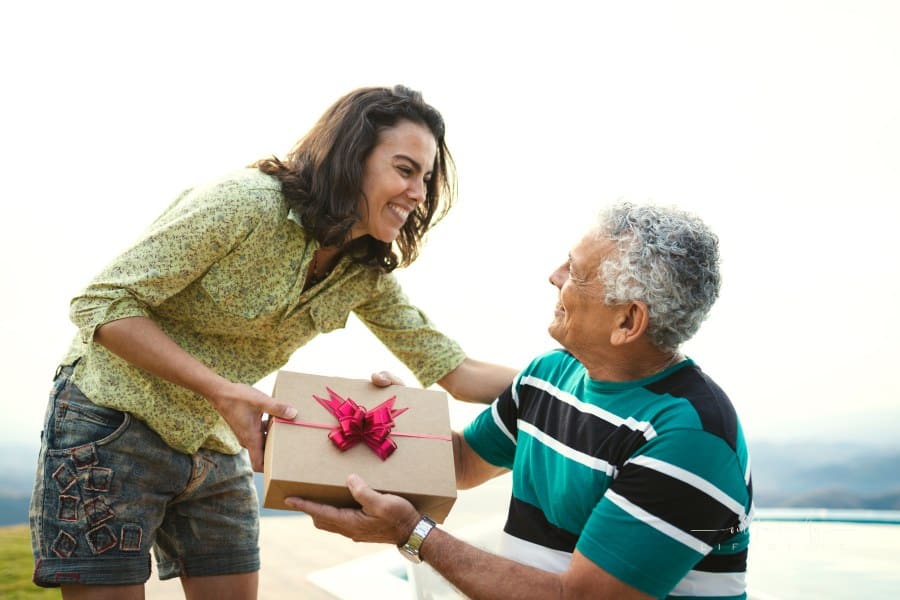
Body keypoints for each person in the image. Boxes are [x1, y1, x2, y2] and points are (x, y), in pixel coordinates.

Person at [29, 85, 517, 599]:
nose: (418, 193)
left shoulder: (366, 274)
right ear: (352, 158)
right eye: (404, 169)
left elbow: (457, 372)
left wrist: (564, 378)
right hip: (111, 422)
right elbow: (102, 304)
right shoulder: (247, 204)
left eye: (426, 178)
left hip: (217, 441)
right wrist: (220, 389)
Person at [286, 202, 754, 599]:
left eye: (576, 273)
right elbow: (462, 462)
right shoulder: (549, 376)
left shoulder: (692, 440)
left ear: (628, 322)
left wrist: (414, 534)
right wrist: (382, 419)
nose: (554, 277)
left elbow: (579, 598)